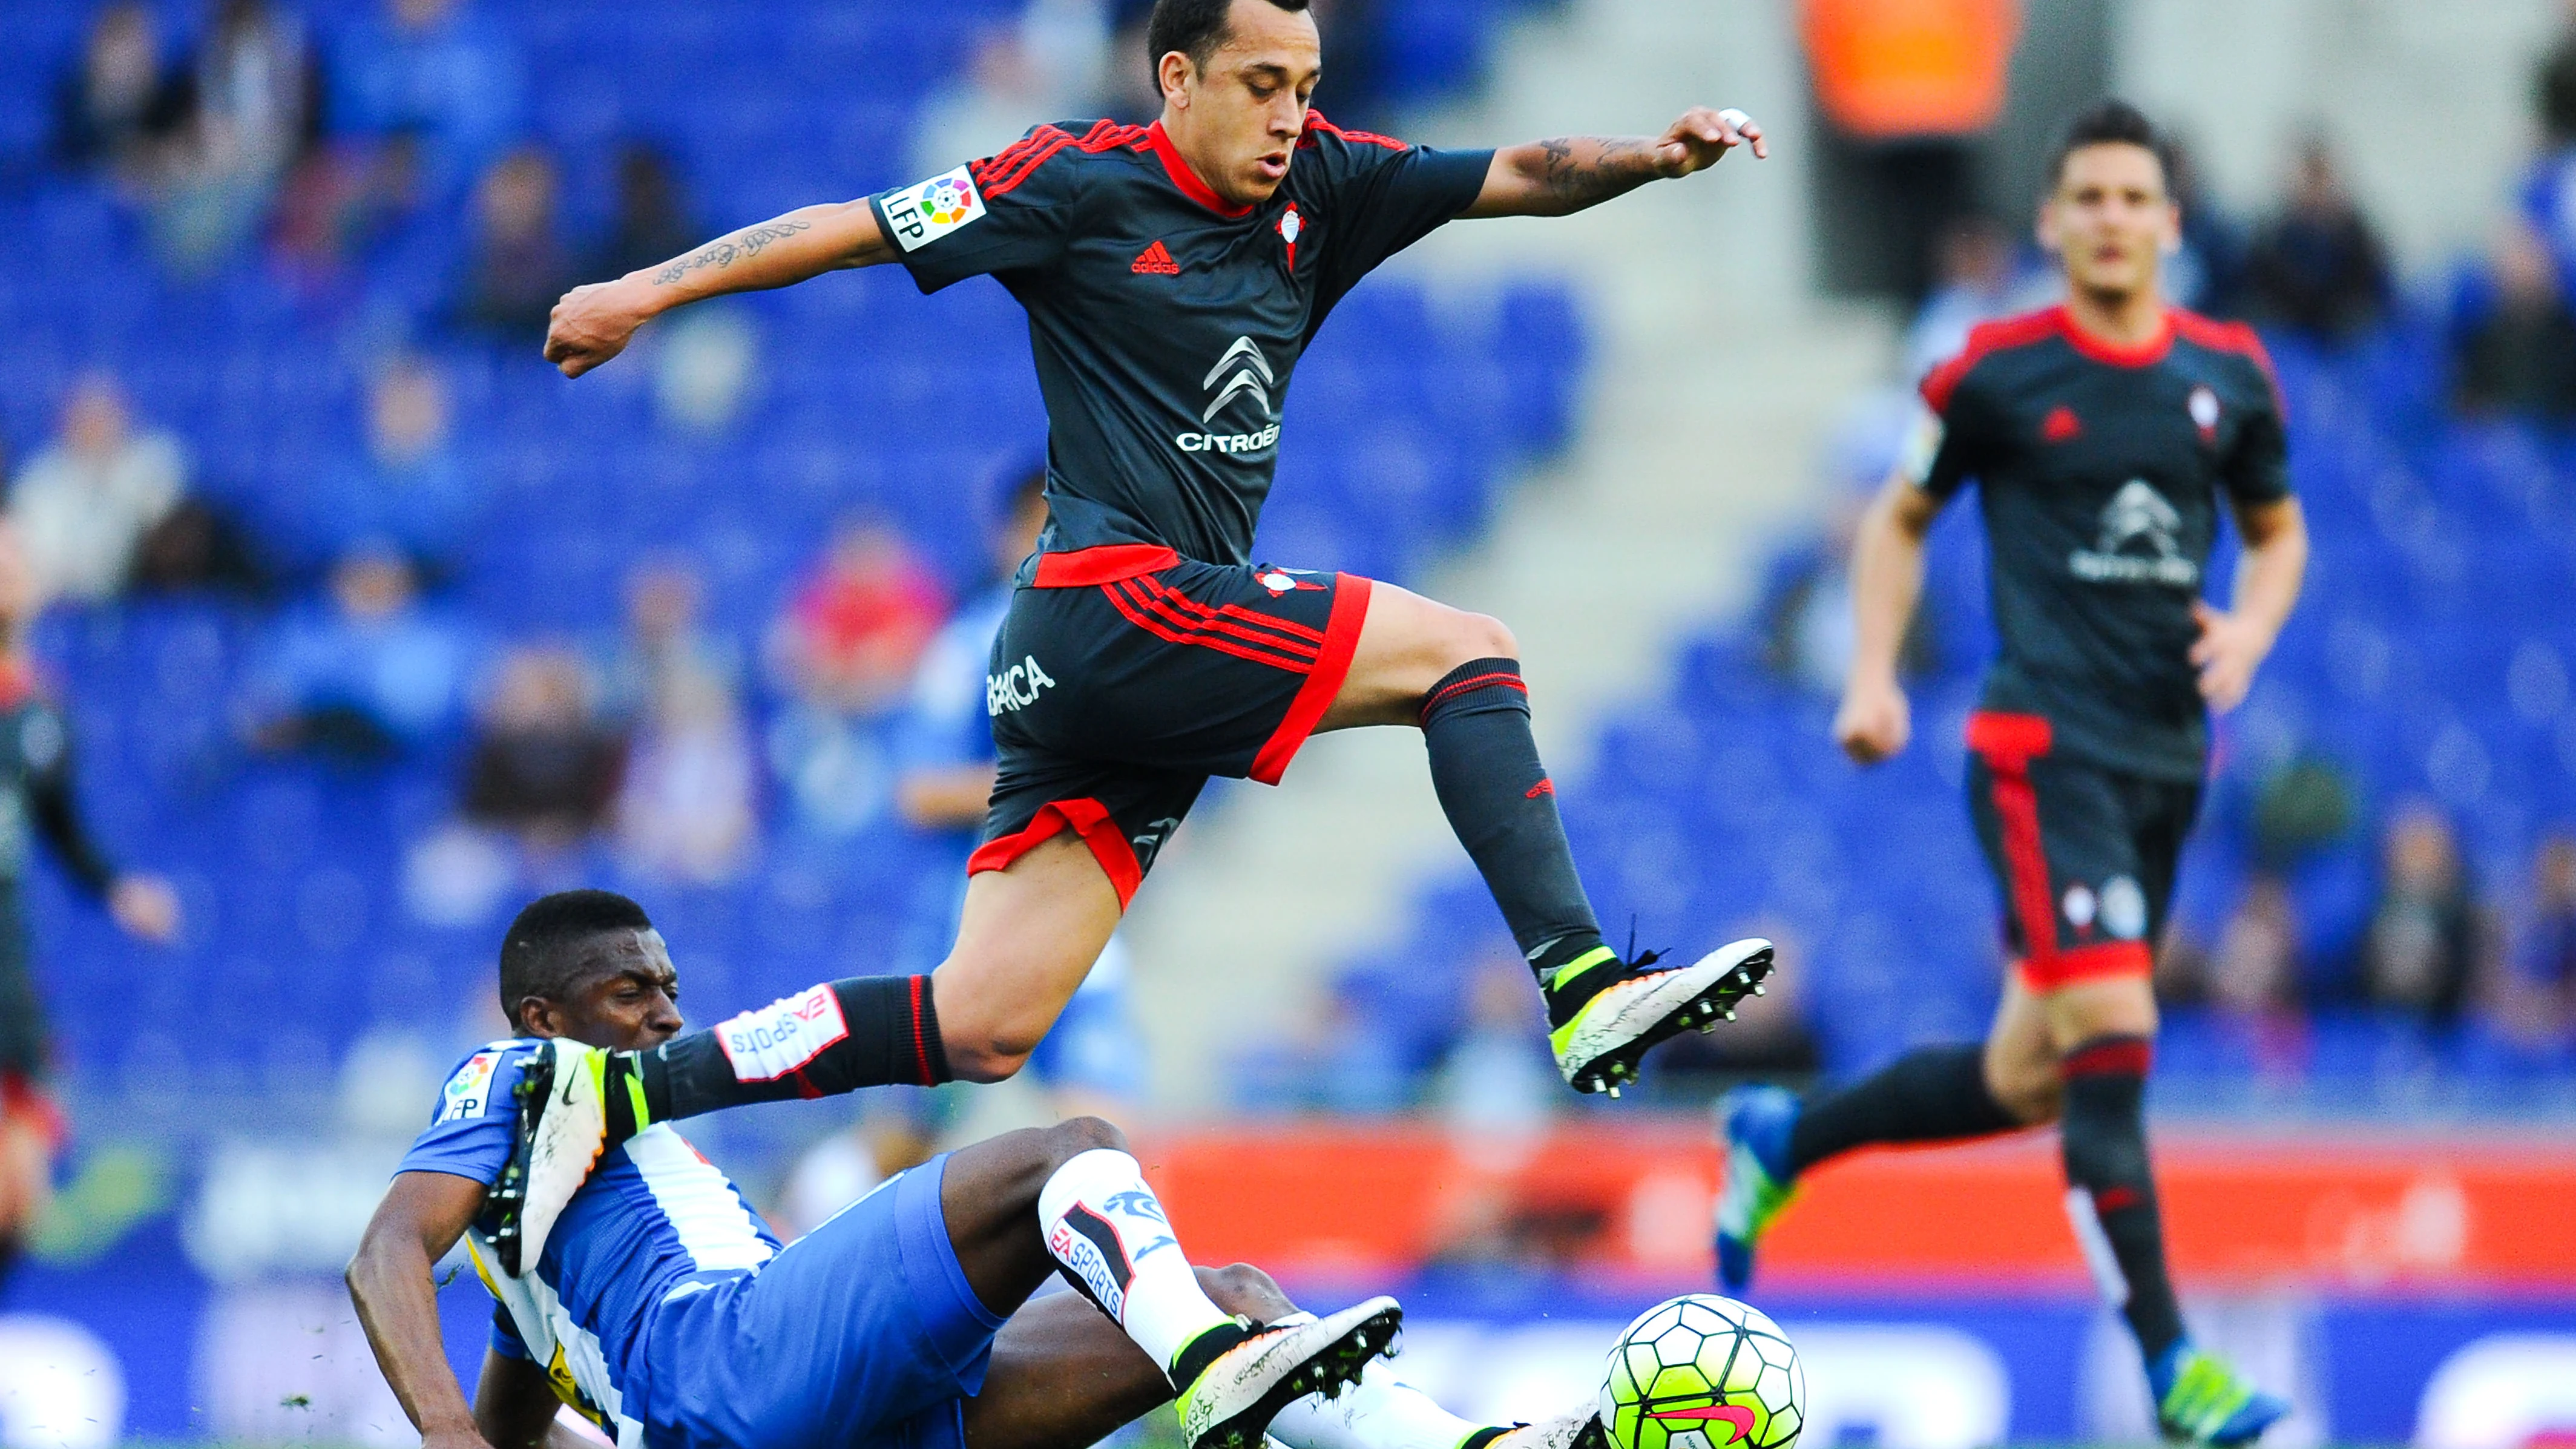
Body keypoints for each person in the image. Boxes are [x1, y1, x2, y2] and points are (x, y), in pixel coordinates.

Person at [543, 0, 1776, 1103]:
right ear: (1176, 78)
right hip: (1111, 602)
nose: (1293, 114)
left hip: (1088, 671)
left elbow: (1515, 171)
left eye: (1306, 83)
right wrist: (642, 293)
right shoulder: (1069, 184)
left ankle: (638, 1091)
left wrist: (1655, 159)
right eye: (1261, 84)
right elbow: (857, 228)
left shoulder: (1327, 186)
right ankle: (1580, 986)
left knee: (981, 1023)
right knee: (1468, 655)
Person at [1714, 102, 2308, 1445]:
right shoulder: (1999, 371)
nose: (2108, 217)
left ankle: (1780, 1140)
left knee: (2032, 1078)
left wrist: (2255, 626)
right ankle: (2174, 1364)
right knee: (2114, 1040)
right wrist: (1870, 674)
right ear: (2052, 222)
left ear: (2167, 222)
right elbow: (1898, 519)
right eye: (2084, 196)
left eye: (2131, 197)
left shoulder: (2226, 375)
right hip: (2041, 749)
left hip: (2166, 760)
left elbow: (2278, 536)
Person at [345, 889, 1602, 1449]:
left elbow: (519, 1416)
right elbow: (390, 1249)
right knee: (1067, 1161)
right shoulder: (514, 1079)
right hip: (736, 1363)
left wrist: (483, 1434)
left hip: (808, 1411)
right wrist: (444, 1432)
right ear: (541, 1015)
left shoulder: (545, 1263)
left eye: (671, 989)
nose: (666, 1017)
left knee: (1229, 1294)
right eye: (631, 992)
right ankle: (1211, 1376)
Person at [896, 466, 1145, 1109]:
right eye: (1047, 532)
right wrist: (1060, 789)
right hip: (967, 918)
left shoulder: (1107, 645)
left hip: (1075, 915)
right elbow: (920, 793)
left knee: (1105, 1129)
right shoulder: (967, 646)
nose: (1067, 550)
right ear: (1008, 539)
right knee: (905, 1136)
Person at [0, 522, 182, 1292]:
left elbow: (59, 826)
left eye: (16, 555)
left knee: (21, 1192)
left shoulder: (39, 709)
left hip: (8, 973)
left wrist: (116, 889)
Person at [8, 373, 189, 605]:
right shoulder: (38, 479)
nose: (95, 427)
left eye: (103, 417)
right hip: (61, 601)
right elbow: (38, 552)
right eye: (86, 418)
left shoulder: (154, 462)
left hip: (142, 590)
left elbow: (170, 530)